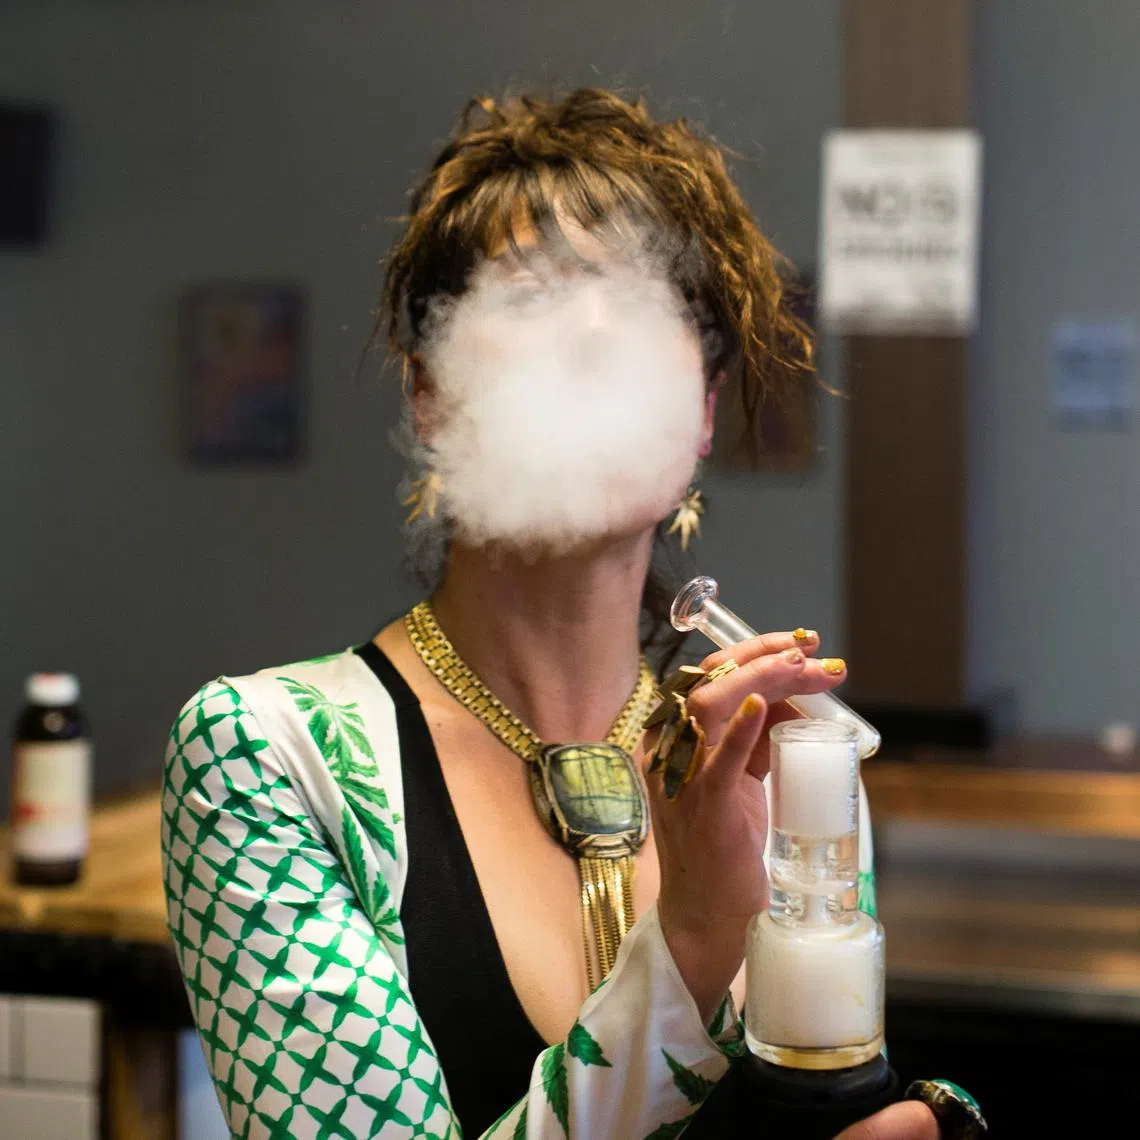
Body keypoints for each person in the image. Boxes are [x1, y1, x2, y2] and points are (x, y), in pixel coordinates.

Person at [161, 88, 941, 1139]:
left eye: (648, 304)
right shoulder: (267, 755)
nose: (594, 332)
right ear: (430, 392)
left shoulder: (776, 765)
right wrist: (698, 940)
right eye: (533, 295)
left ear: (706, 415)